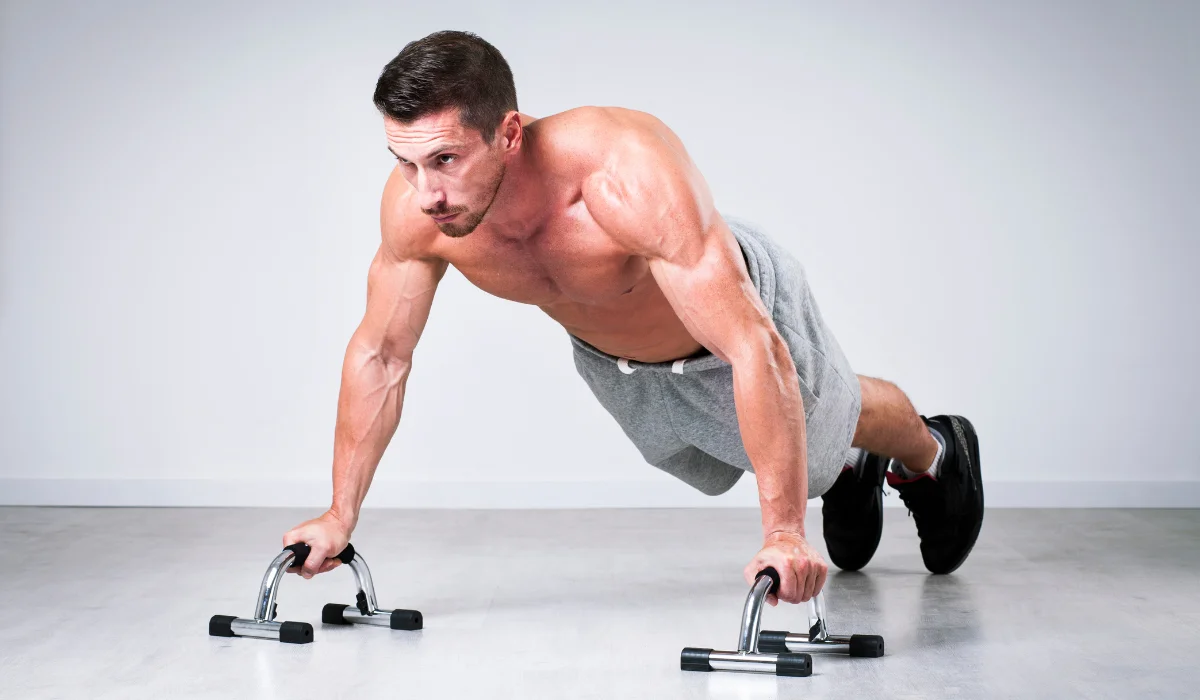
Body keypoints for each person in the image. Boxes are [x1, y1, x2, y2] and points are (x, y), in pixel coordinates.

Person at [282, 30, 984, 606]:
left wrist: (783, 532)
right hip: (616, 362)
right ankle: (847, 467)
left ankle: (932, 454)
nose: (426, 193)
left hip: (735, 314)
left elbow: (750, 343)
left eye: (445, 159)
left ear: (509, 132)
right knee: (732, 460)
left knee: (825, 429)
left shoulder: (621, 172)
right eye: (404, 164)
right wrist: (340, 513)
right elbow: (382, 355)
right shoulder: (418, 211)